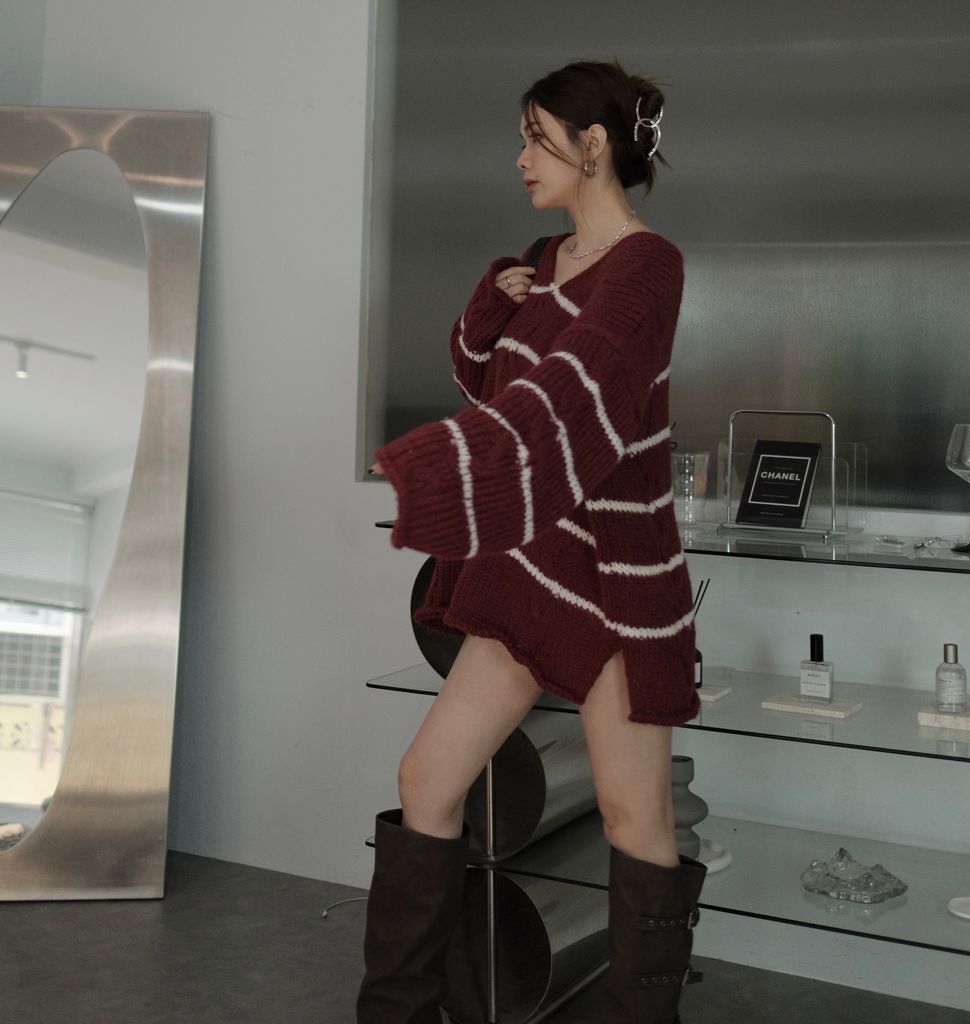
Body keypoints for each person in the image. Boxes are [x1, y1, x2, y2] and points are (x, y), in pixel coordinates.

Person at [359, 59, 705, 1024]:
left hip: (619, 577)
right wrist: (494, 302)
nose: (520, 159)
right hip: (536, 569)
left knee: (635, 818)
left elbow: (574, 398)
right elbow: (488, 385)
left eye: (535, 138)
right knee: (427, 779)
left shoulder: (649, 267)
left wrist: (432, 471)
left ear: (592, 145)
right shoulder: (544, 260)